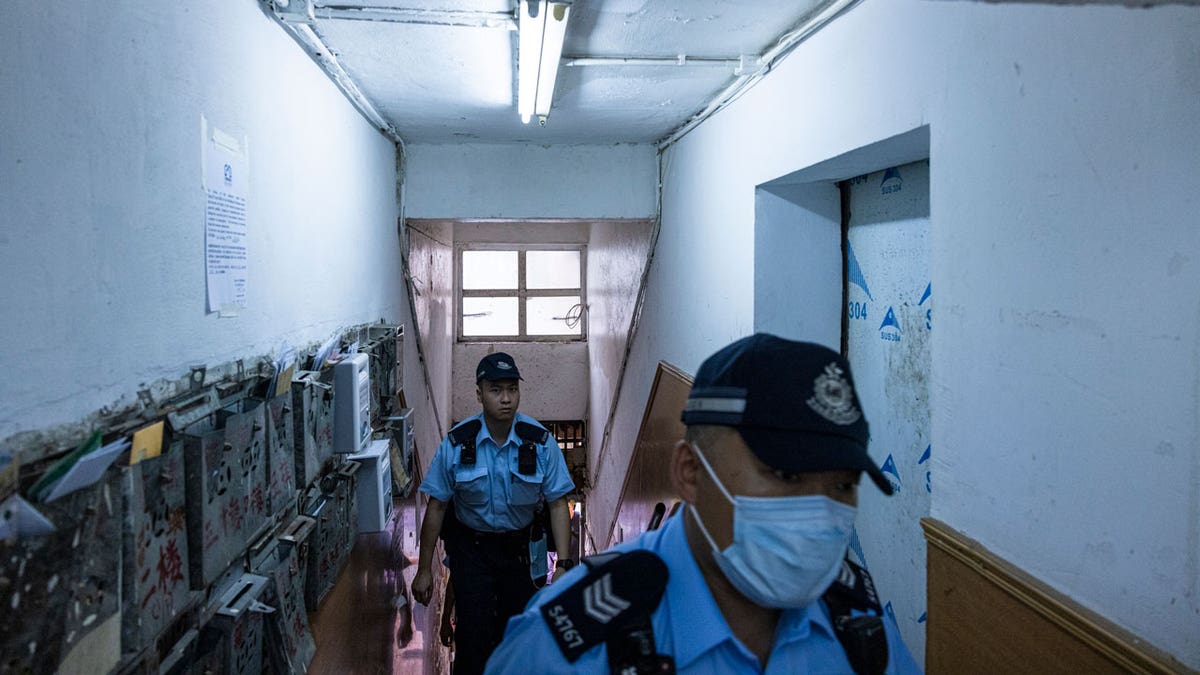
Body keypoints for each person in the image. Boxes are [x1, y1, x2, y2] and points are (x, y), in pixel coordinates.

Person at [485, 334, 923, 674]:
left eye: (843, 485)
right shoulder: (568, 646)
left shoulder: (858, 623)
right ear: (690, 473)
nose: (819, 512)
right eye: (786, 475)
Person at [411, 352, 575, 675]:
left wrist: (565, 566)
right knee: (473, 638)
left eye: (512, 390)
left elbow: (558, 503)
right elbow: (437, 506)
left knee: (521, 634)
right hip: (473, 554)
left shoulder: (540, 442)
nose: (506, 399)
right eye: (496, 390)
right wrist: (424, 568)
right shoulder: (458, 444)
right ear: (479, 394)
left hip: (522, 555)